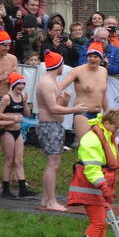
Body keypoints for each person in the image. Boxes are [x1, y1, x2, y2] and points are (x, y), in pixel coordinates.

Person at [66, 110, 119, 237]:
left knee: (102, 223)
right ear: (106, 124)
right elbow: (92, 168)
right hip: (92, 186)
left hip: (99, 185)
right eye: (116, 127)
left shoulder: (106, 136)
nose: (117, 131)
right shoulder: (92, 139)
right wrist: (103, 186)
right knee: (98, 222)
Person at [35, 52, 87, 211]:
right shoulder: (47, 83)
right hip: (49, 126)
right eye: (62, 64)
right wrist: (74, 109)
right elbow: (52, 108)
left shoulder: (51, 82)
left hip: (53, 125)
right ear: (58, 65)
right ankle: (51, 201)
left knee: (54, 163)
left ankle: (46, 199)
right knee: (53, 163)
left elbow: (54, 105)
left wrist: (63, 101)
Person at [59, 41, 109, 139]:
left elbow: (102, 93)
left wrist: (107, 111)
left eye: (95, 56)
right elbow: (60, 86)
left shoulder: (104, 71)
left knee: (96, 147)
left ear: (101, 58)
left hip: (98, 114)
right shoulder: (78, 71)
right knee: (84, 145)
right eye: (90, 56)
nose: (92, 59)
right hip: (83, 113)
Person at [0, 72, 35, 197]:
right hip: (7, 130)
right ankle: (5, 189)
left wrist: (25, 102)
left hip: (18, 131)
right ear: (13, 84)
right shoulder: (7, 98)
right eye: (19, 83)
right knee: (9, 160)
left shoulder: (22, 96)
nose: (22, 86)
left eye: (23, 83)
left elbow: (27, 115)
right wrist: (13, 118)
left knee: (19, 160)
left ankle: (22, 189)